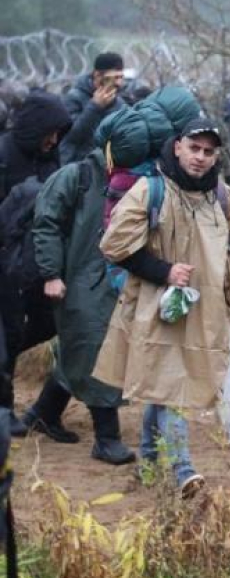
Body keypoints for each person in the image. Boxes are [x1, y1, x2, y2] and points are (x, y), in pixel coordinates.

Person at [94, 122, 230, 497]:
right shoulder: (151, 191)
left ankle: (149, 464)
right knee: (172, 383)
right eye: (194, 148)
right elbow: (113, 245)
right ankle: (183, 470)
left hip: (206, 310)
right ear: (178, 147)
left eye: (208, 152)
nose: (200, 157)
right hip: (158, 307)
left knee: (163, 385)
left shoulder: (222, 196)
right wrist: (164, 271)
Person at [27, 145, 136, 463]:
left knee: (80, 346)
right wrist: (51, 272)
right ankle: (107, 437)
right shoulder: (79, 176)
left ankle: (43, 412)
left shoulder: (134, 180)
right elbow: (46, 224)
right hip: (76, 278)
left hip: (104, 277)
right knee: (94, 346)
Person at [0, 92, 71, 435]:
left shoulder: (50, 156)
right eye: (50, 132)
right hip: (5, 259)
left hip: (37, 262)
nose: (54, 140)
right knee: (9, 331)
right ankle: (4, 410)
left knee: (47, 322)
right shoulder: (4, 153)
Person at [60, 52, 126, 164]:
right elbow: (70, 136)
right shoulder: (74, 98)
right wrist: (95, 107)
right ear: (97, 75)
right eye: (113, 78)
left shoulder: (119, 103)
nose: (118, 83)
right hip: (77, 166)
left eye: (120, 77)